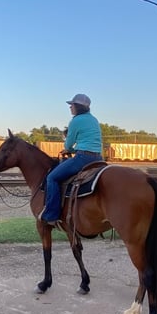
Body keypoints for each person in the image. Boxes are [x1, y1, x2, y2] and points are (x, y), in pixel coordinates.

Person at [40, 93, 103, 224]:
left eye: (71, 105)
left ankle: (51, 215)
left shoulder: (75, 121)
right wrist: (73, 150)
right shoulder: (94, 119)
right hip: (98, 158)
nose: (70, 108)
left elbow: (68, 145)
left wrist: (68, 149)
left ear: (77, 107)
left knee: (52, 178)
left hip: (83, 158)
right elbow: (89, 142)